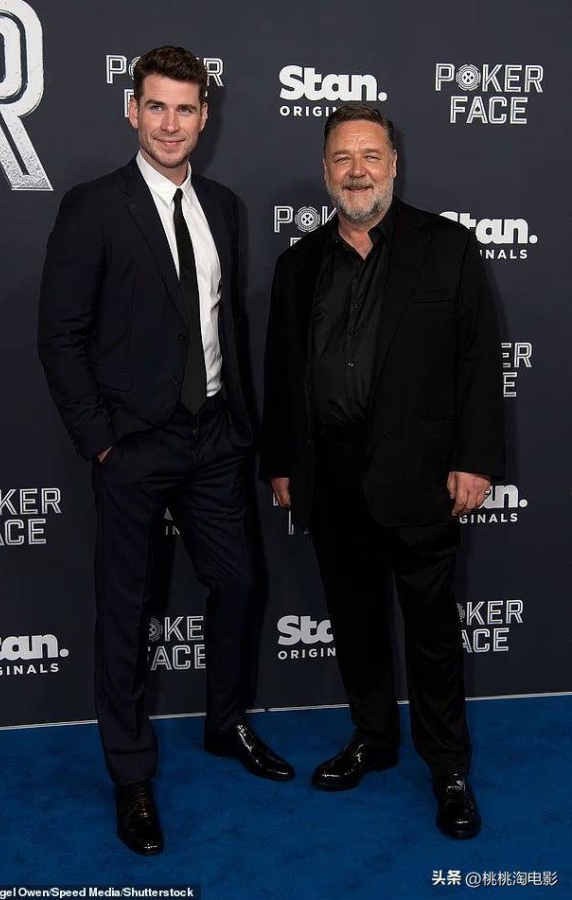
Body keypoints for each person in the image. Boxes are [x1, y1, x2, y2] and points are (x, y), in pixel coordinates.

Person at [38, 45, 294, 857]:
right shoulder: (92, 207)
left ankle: (225, 723)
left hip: (214, 436)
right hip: (132, 445)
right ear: (132, 110)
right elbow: (60, 335)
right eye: (156, 106)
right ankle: (131, 774)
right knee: (127, 610)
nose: (171, 124)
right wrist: (102, 443)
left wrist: (245, 426)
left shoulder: (224, 206)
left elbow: (224, 324)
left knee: (241, 582)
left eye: (185, 108)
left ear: (205, 116)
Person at [260, 104, 504, 839]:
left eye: (370, 156)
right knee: (356, 621)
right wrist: (283, 462)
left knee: (431, 630)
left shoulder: (447, 247)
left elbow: (478, 360)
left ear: (394, 164)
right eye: (343, 158)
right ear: (325, 170)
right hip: (331, 473)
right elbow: (282, 373)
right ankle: (372, 738)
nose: (357, 171)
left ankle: (449, 767)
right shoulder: (298, 265)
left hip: (421, 474)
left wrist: (474, 459)